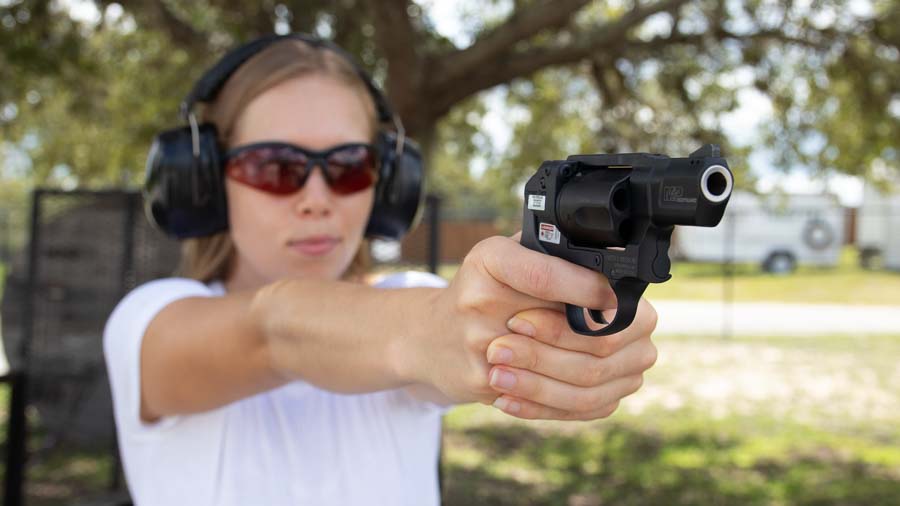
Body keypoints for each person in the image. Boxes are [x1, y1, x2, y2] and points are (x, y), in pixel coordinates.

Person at [103, 34, 659, 506]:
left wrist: (548, 320)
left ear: (387, 183)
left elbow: (445, 331)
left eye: (348, 166)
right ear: (203, 182)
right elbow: (273, 329)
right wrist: (439, 324)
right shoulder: (146, 323)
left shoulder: (412, 294)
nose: (318, 199)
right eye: (275, 167)